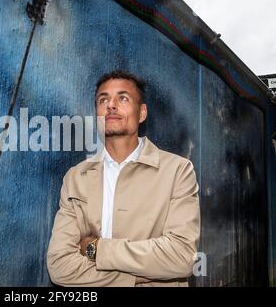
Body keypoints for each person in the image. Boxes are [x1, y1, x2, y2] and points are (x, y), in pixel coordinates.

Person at [47, 70, 201, 287]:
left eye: (123, 98)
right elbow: (60, 267)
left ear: (142, 113)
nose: (111, 105)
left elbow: (181, 256)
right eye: (103, 99)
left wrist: (96, 249)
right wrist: (137, 275)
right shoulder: (76, 178)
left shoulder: (177, 171)